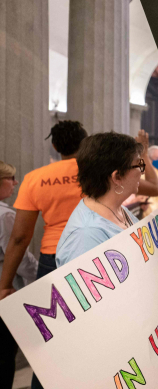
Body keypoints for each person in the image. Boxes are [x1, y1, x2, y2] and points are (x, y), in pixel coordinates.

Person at [0, 120, 88, 305]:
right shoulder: (96, 173)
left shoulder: (34, 178)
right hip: (95, 248)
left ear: (54, 146)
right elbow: (152, 189)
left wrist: (4, 285)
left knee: (54, 321)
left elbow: (19, 237)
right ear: (84, 142)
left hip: (53, 254)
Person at [55, 132, 158, 268]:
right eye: (138, 164)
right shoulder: (86, 235)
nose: (142, 171)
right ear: (117, 177)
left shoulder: (119, 210)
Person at [0, 161, 38, 388]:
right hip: (5, 291)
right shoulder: (5, 216)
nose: (15, 183)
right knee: (4, 354)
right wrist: (41, 277)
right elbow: (19, 255)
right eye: (10, 178)